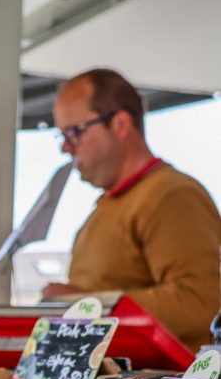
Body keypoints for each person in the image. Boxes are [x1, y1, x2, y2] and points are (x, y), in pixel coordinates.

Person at [42, 68, 221, 352]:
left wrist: (88, 305)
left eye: (74, 132)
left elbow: (200, 303)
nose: (65, 147)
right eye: (61, 135)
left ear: (120, 124)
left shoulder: (172, 194)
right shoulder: (110, 203)